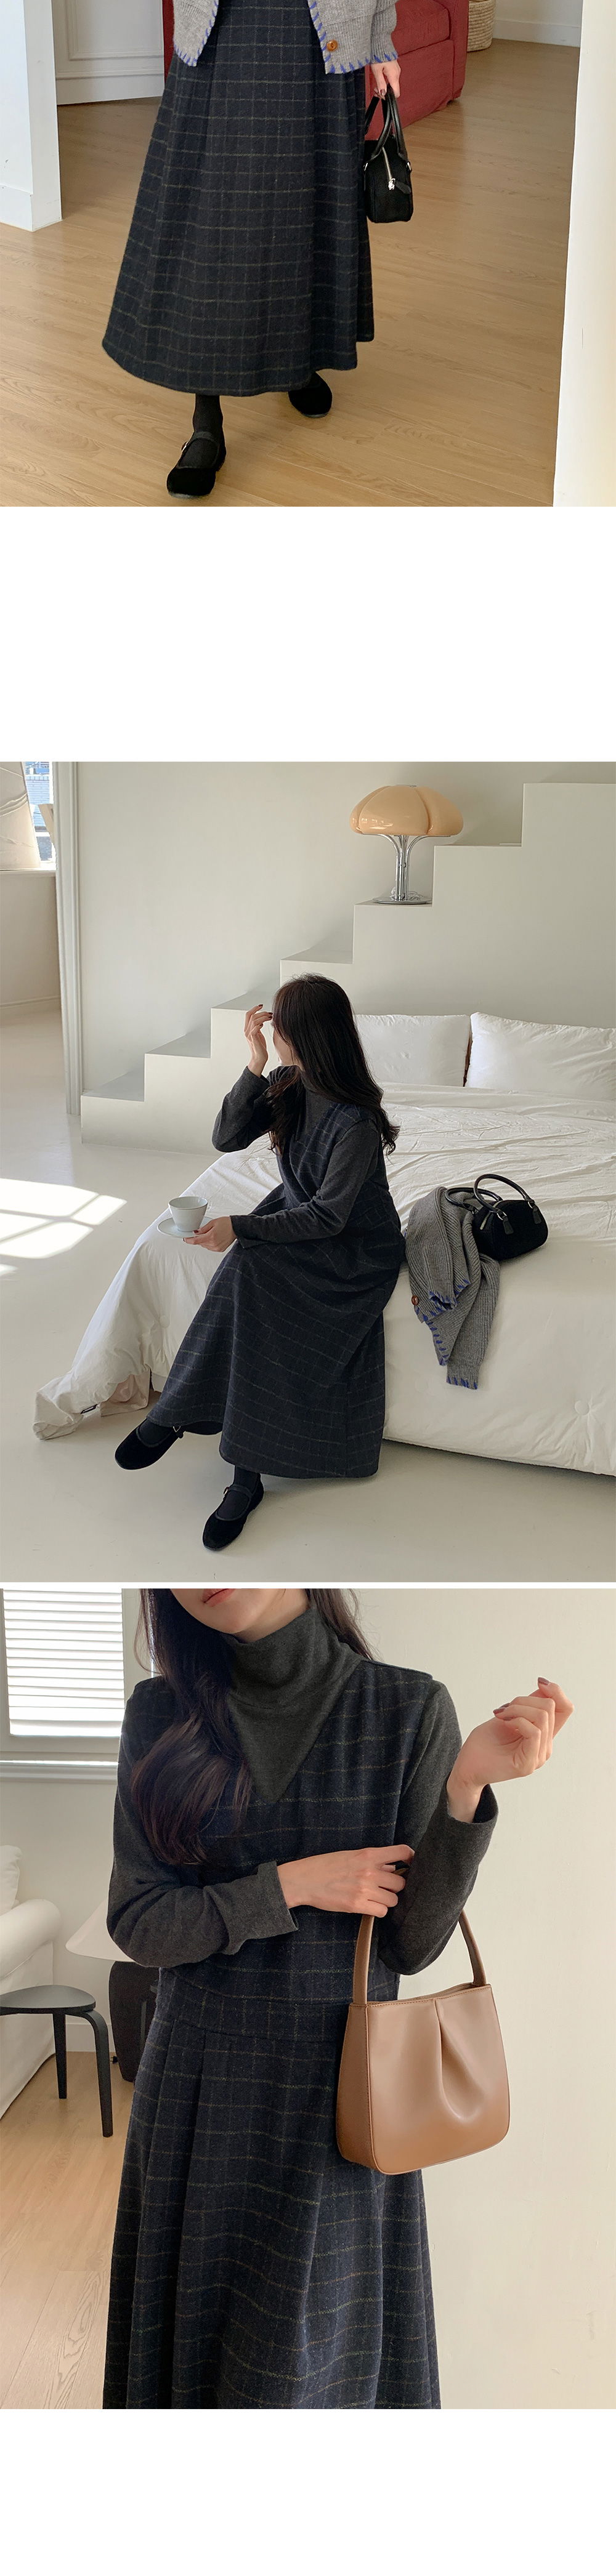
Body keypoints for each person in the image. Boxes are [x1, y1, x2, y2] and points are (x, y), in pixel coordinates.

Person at [102, 1580, 572, 2412]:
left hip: (341, 2099)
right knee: (193, 2371)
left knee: (314, 2375)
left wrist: (465, 1788)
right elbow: (140, 1922)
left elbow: (411, 1947)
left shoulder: (405, 1709)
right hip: (197, 2096)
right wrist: (288, 1886)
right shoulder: (159, 1712)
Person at [102, 0, 411, 499]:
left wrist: (380, 32)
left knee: (303, 202)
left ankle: (296, 357)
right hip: (223, 21)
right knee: (213, 218)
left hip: (320, 30)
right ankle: (206, 417)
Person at [115, 976, 406, 1547]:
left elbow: (329, 1218)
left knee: (248, 1266)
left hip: (355, 1249)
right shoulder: (287, 1083)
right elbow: (225, 1138)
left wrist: (240, 1227)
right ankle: (232, 1466)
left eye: (281, 1029)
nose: (275, 1036)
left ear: (309, 1036)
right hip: (302, 1217)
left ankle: (191, 1431)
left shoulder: (356, 1122)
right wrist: (254, 1063)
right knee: (245, 1274)